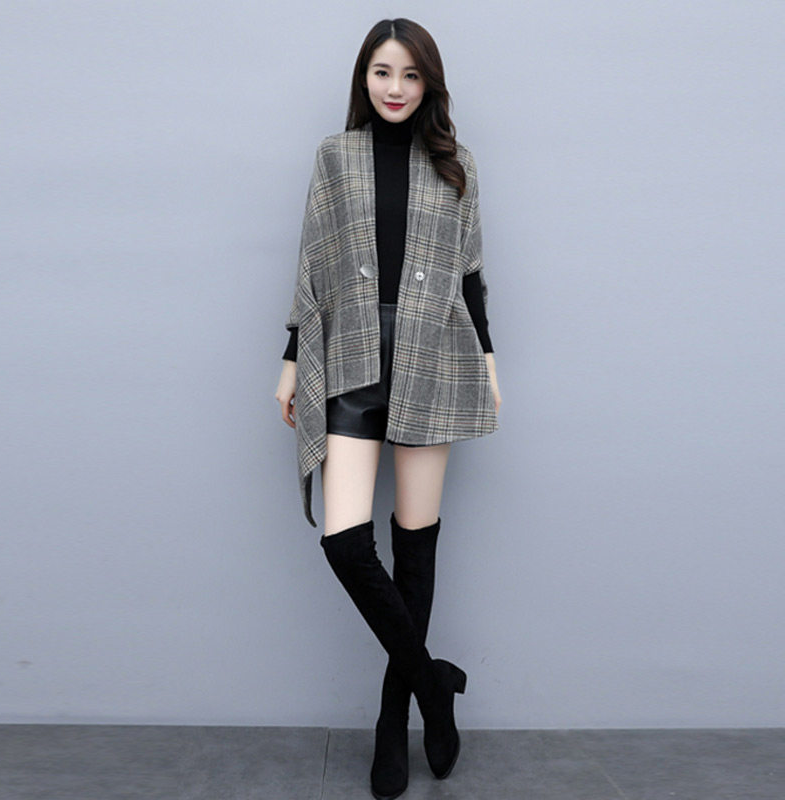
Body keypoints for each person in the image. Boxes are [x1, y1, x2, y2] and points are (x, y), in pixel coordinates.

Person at [274, 18, 502, 800]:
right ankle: (434, 685)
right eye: (382, 72)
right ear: (363, 77)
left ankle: (391, 722)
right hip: (349, 355)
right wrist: (291, 359)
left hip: (435, 356)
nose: (395, 88)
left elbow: (470, 275)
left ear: (428, 82)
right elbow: (311, 261)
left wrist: (489, 363)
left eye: (409, 74)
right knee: (345, 543)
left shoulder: (456, 163)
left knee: (414, 546)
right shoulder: (335, 157)